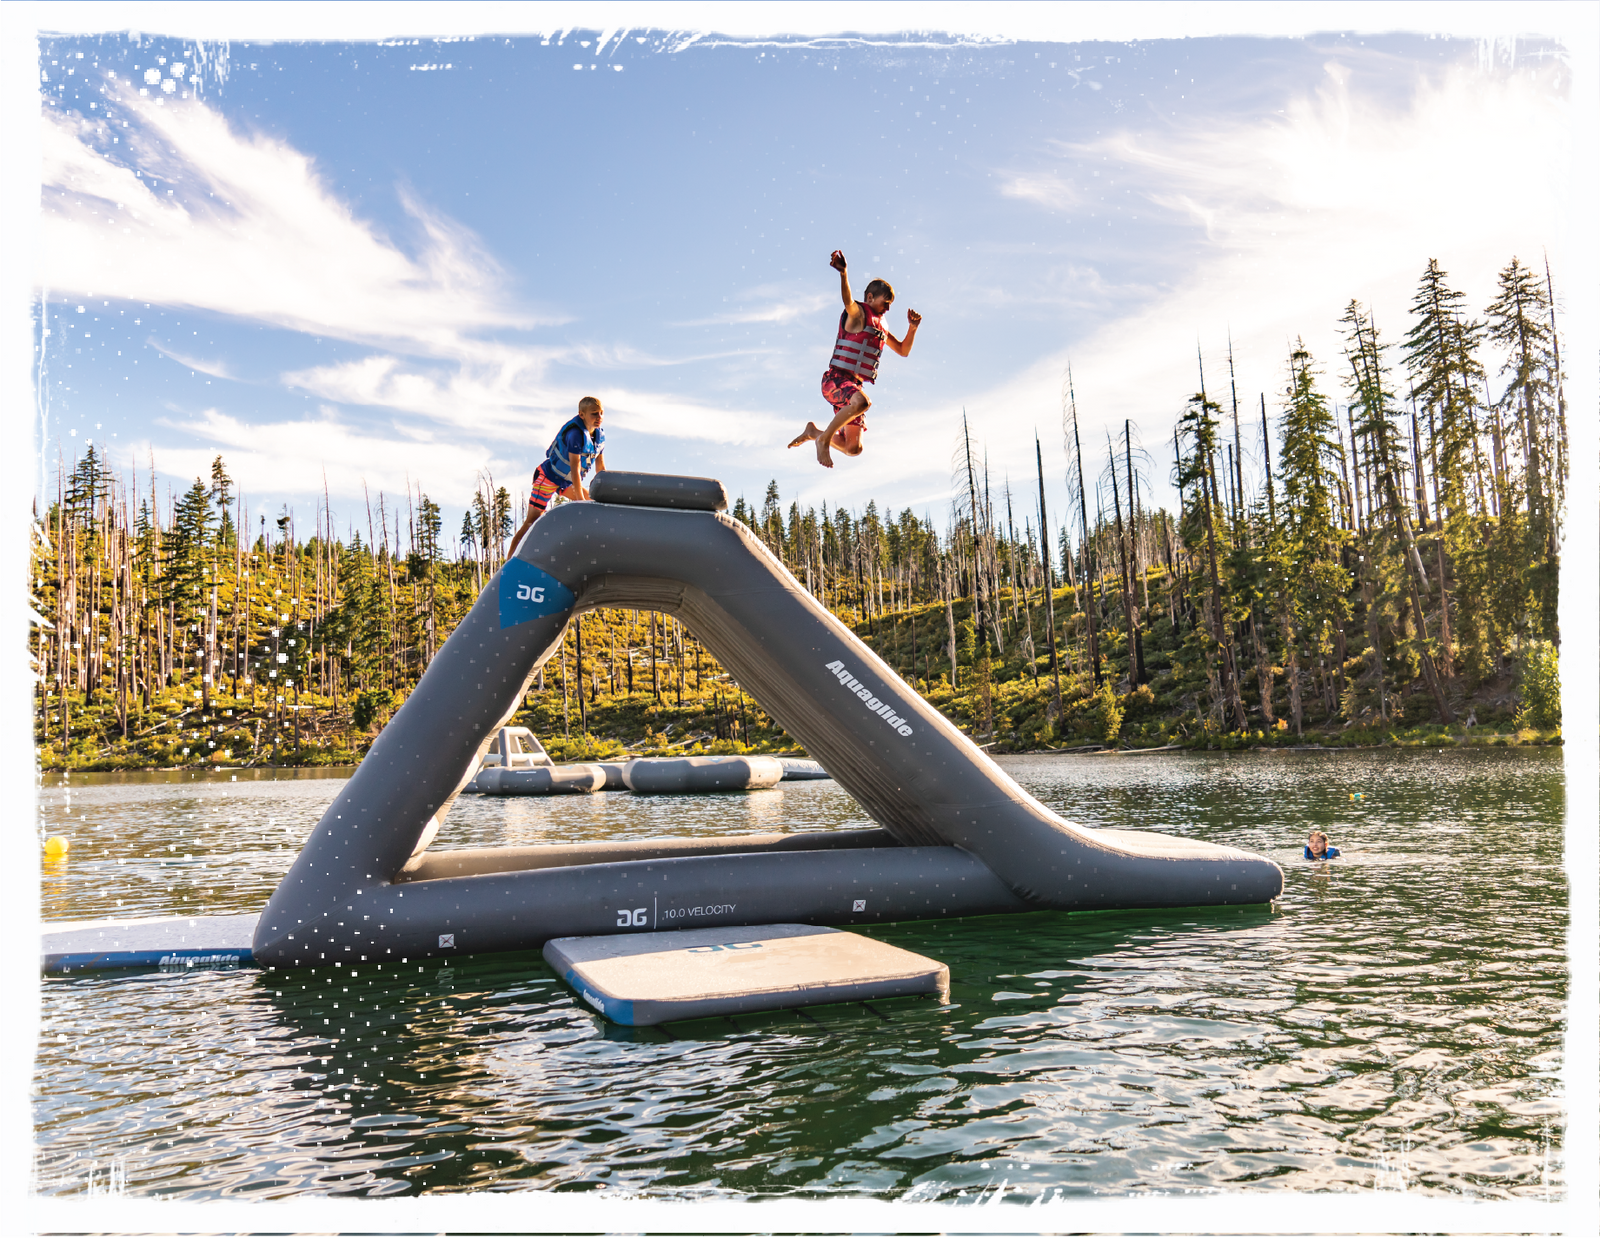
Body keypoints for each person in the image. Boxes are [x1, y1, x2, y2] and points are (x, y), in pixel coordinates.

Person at [788, 249, 921, 468]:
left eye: (890, 305)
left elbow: (903, 350)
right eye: (885, 302)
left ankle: (815, 433)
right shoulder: (858, 314)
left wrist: (913, 328)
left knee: (853, 448)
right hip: (836, 381)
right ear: (870, 298)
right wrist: (843, 274)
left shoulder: (880, 326)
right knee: (863, 402)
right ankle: (824, 440)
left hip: (852, 386)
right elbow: (848, 301)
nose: (887, 308)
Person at [510, 396, 606, 551]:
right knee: (532, 521)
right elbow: (575, 468)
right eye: (594, 414)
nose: (599, 417)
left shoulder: (599, 437)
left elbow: (600, 468)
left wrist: (606, 493)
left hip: (566, 482)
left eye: (601, 413)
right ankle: (508, 562)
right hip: (548, 477)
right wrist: (579, 500)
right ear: (582, 415)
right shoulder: (575, 434)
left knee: (594, 503)